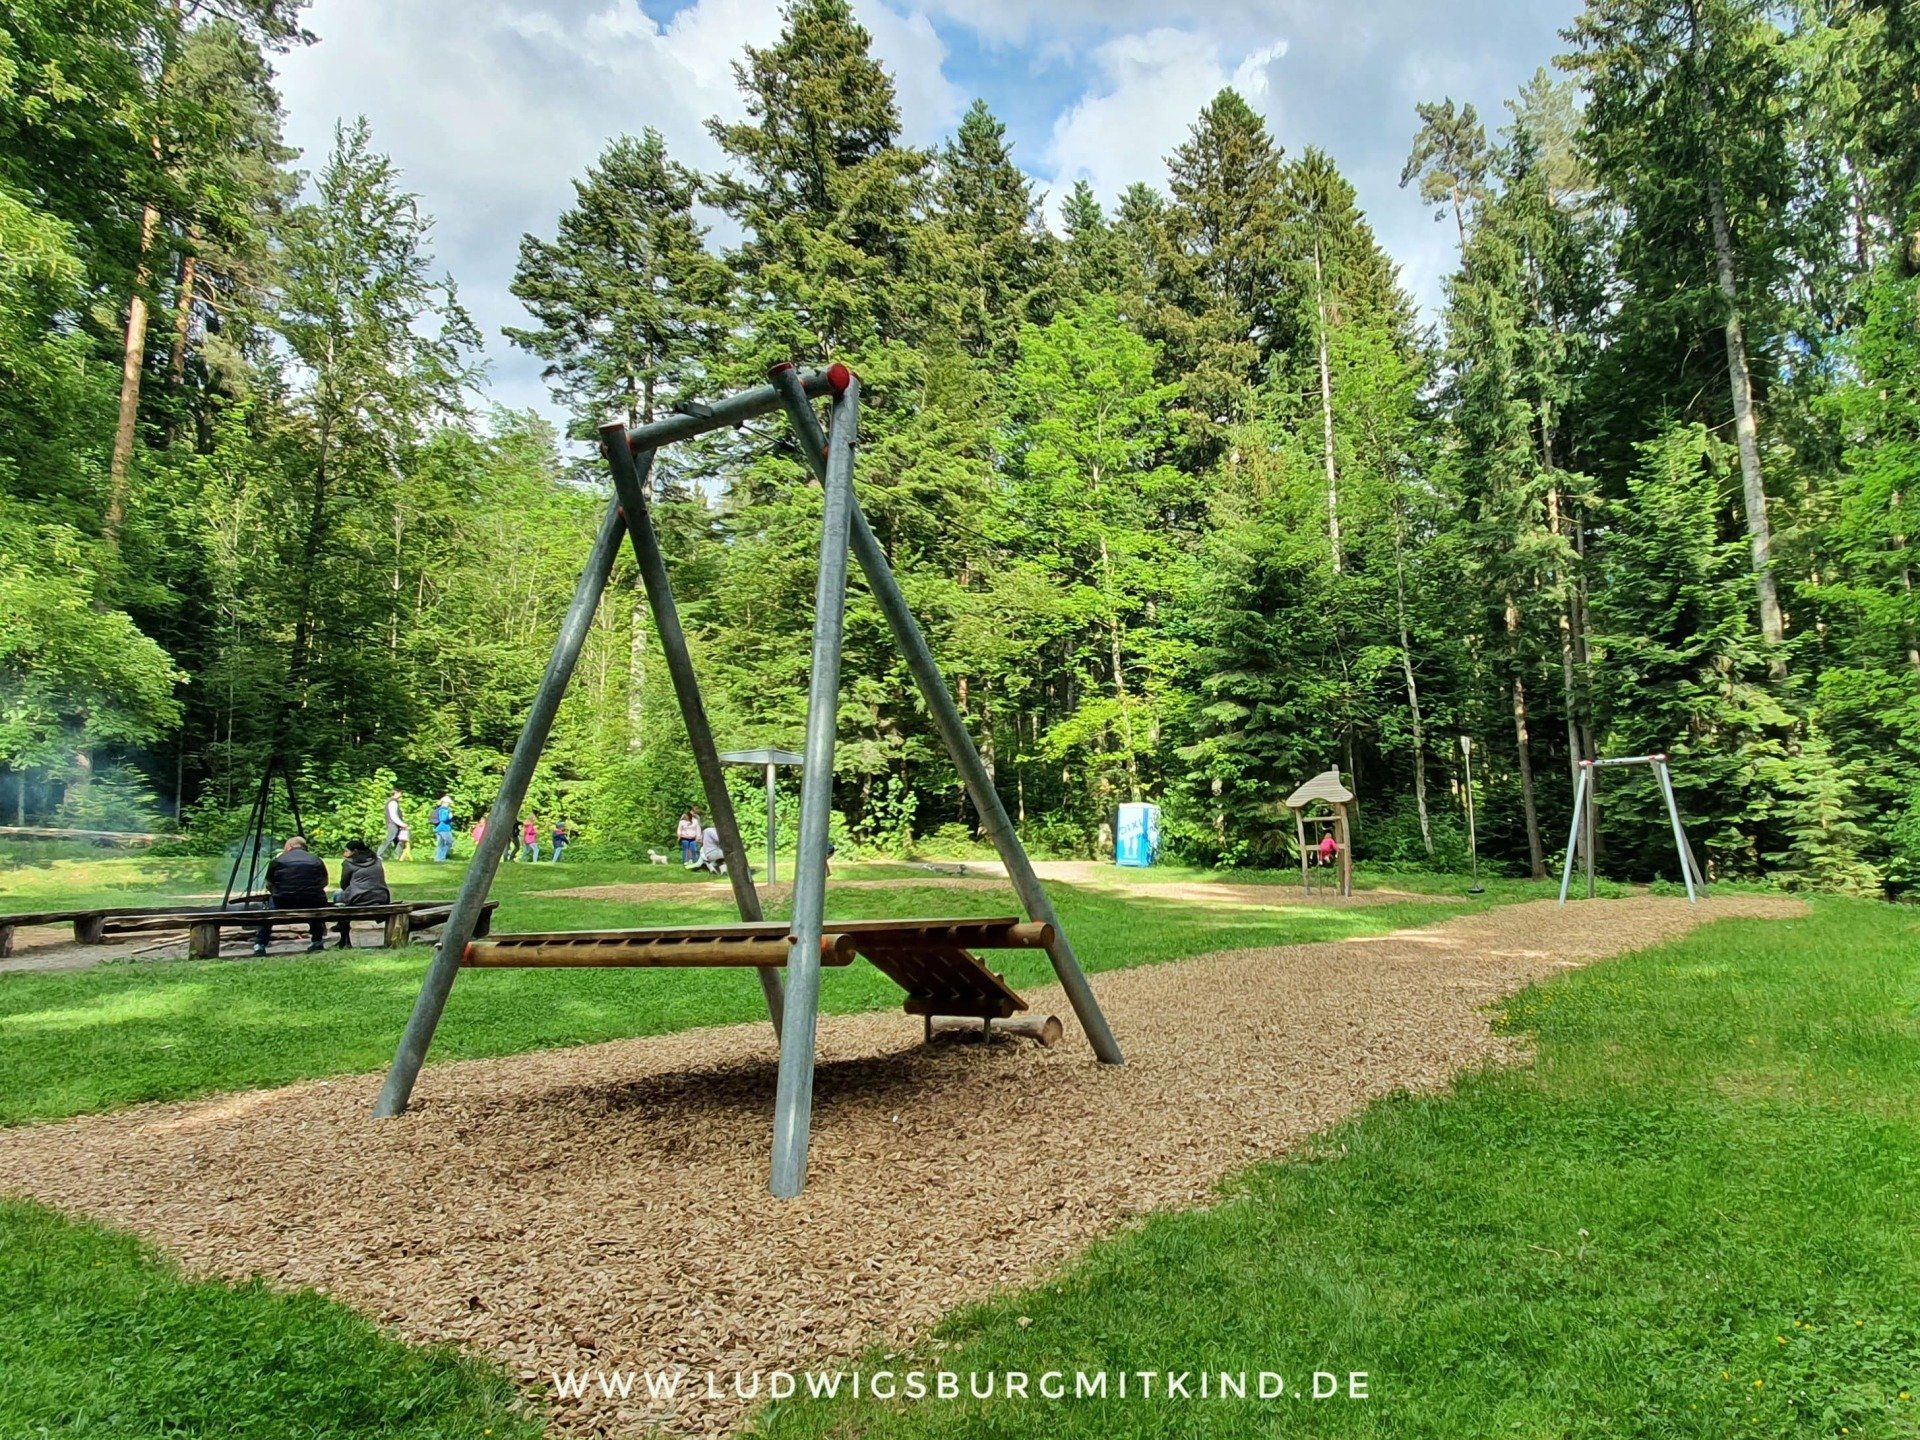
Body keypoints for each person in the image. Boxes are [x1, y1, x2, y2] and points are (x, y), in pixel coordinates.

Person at [252, 836, 328, 956]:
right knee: (315, 904)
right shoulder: (316, 860)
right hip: (312, 901)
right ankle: (317, 941)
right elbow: (324, 882)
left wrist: (278, 891)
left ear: (290, 846)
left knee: (267, 911)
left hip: (283, 901)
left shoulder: (278, 860)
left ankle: (260, 944)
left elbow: (269, 883)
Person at [332, 839, 391, 949]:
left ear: (354, 851)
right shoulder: (377, 860)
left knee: (338, 894)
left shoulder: (348, 863)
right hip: (381, 898)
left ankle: (344, 937)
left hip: (359, 899)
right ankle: (342, 932)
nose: (345, 853)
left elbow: (343, 885)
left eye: (346, 851)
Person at [378, 788, 405, 859]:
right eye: (400, 793)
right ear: (396, 793)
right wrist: (402, 824)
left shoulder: (392, 802)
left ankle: (398, 856)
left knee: (399, 840)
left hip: (394, 824)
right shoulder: (393, 802)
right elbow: (393, 816)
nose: (401, 794)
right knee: (390, 839)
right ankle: (379, 854)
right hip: (393, 824)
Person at [432, 794, 455, 863]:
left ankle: (438, 859)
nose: (449, 804)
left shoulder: (439, 809)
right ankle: (441, 858)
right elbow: (443, 819)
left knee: (440, 844)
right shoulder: (444, 810)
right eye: (449, 803)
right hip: (444, 829)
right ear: (446, 803)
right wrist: (449, 817)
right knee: (449, 842)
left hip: (438, 828)